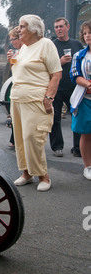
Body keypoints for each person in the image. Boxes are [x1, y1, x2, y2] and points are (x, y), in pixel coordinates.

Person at [10, 15, 62, 192]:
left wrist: (49, 98)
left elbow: (56, 74)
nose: (19, 29)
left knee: (32, 137)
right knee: (20, 138)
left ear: (34, 29)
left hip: (35, 99)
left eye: (22, 26)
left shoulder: (46, 44)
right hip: (17, 99)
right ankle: (26, 173)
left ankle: (43, 175)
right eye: (19, 25)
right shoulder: (24, 48)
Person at [50, 17, 83, 157]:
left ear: (67, 27)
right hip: (56, 87)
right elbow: (46, 66)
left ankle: (78, 148)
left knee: (77, 117)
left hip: (73, 87)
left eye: (61, 26)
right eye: (56, 27)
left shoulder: (76, 44)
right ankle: (57, 147)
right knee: (55, 118)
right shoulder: (51, 45)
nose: (58, 29)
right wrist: (60, 61)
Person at [70, 20, 91, 180]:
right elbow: (75, 75)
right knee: (86, 134)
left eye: (90, 32)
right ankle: (87, 166)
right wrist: (89, 84)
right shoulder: (79, 55)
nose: (88, 36)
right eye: (85, 33)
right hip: (85, 98)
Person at [6, 26, 24, 148]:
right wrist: (10, 61)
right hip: (17, 86)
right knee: (15, 116)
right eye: (11, 40)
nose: (12, 42)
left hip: (24, 87)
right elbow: (14, 71)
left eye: (14, 39)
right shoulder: (17, 53)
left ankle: (16, 140)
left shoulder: (26, 51)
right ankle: (14, 140)